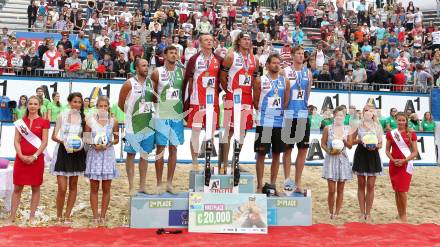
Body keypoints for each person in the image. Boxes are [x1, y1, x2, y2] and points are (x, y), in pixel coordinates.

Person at [8, 96, 50, 225]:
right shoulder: (20, 122)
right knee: (17, 188)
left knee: (35, 188)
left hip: (36, 159)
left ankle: (32, 217)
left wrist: (35, 156)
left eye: (35, 104)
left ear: (39, 106)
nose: (32, 106)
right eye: (30, 103)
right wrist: (20, 155)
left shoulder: (44, 122)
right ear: (27, 105)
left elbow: (44, 142)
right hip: (21, 159)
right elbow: (16, 140)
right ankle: (12, 216)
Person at [182, 34, 222, 171]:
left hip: (213, 102)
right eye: (206, 40)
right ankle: (194, 163)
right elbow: (188, 79)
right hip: (197, 101)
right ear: (200, 42)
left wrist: (220, 92)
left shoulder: (219, 59)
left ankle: (207, 161)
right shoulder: (194, 59)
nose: (209, 41)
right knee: (195, 132)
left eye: (211, 40)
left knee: (210, 133)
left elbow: (222, 79)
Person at [220, 32, 258, 174]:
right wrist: (228, 91)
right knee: (229, 132)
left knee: (243, 132)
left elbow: (254, 81)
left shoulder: (255, 60)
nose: (247, 41)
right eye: (244, 39)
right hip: (233, 96)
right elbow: (222, 76)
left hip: (247, 98)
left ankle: (235, 162)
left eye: (249, 39)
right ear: (239, 41)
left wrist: (255, 99)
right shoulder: (231, 56)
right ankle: (224, 164)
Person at [118, 58, 155, 195]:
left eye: (147, 66)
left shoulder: (151, 83)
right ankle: (131, 186)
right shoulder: (129, 84)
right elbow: (121, 104)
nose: (146, 68)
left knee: (145, 156)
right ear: (137, 68)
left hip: (148, 126)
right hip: (132, 127)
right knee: (131, 155)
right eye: (143, 66)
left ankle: (142, 185)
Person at [151, 46, 185, 194]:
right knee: (160, 149)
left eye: (175, 52)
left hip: (176, 115)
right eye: (170, 52)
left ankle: (169, 182)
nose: (173, 55)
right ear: (164, 55)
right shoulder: (157, 72)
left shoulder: (181, 72)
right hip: (162, 114)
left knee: (174, 148)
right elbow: (151, 94)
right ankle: (159, 183)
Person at [253, 54, 289, 194]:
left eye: (278, 63)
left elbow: (285, 102)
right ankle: (260, 186)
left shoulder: (284, 81)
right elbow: (255, 101)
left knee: (277, 155)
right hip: (264, 122)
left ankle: (272, 185)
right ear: (267, 65)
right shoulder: (259, 80)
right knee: (261, 155)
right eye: (273, 63)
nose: (276, 65)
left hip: (279, 123)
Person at [50, 92, 87, 224]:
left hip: (77, 153)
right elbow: (53, 136)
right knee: (62, 188)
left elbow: (86, 138)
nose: (77, 104)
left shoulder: (85, 118)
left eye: (79, 102)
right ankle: (58, 214)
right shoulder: (62, 115)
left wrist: (80, 142)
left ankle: (67, 215)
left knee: (73, 185)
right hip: (63, 151)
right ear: (69, 102)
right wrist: (64, 142)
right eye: (75, 101)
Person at [84, 96, 119, 226]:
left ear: (108, 107)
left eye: (105, 106)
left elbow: (117, 139)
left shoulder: (113, 121)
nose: (103, 108)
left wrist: (107, 144)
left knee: (106, 188)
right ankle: (95, 216)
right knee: (94, 187)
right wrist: (94, 145)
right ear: (96, 107)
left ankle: (103, 216)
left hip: (108, 155)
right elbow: (86, 138)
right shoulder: (90, 121)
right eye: (100, 106)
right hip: (94, 155)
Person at [282, 46, 313, 193]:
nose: (301, 56)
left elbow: (307, 94)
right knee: (287, 149)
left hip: (302, 115)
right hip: (289, 115)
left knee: (302, 150)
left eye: (303, 54)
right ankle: (287, 181)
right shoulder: (285, 72)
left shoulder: (308, 73)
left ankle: (298, 182)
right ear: (292, 55)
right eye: (298, 54)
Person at [350, 104, 383, 223]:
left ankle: (368, 213)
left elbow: (380, 144)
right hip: (361, 153)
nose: (368, 112)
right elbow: (351, 141)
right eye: (365, 110)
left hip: (373, 154)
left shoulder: (377, 126)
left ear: (373, 112)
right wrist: (360, 141)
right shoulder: (357, 124)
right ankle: (361, 212)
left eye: (370, 110)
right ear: (362, 112)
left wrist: (374, 146)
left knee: (370, 185)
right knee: (361, 184)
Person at [385, 112, 418, 223]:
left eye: (403, 120)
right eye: (399, 120)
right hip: (394, 165)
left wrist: (404, 161)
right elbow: (387, 150)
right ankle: (399, 214)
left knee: (402, 190)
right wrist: (393, 160)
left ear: (406, 121)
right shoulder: (391, 134)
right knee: (397, 191)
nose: (401, 122)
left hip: (406, 165)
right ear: (396, 120)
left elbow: (415, 152)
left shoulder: (411, 133)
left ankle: (404, 216)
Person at [321, 106, 353, 220]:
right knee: (331, 190)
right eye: (338, 115)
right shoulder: (327, 128)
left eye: (342, 115)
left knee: (340, 190)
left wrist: (344, 140)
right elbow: (323, 143)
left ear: (344, 117)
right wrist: (329, 151)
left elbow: (350, 146)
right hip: (330, 159)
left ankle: (337, 212)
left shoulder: (347, 129)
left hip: (342, 160)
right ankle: (330, 211)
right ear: (334, 116)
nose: (339, 117)